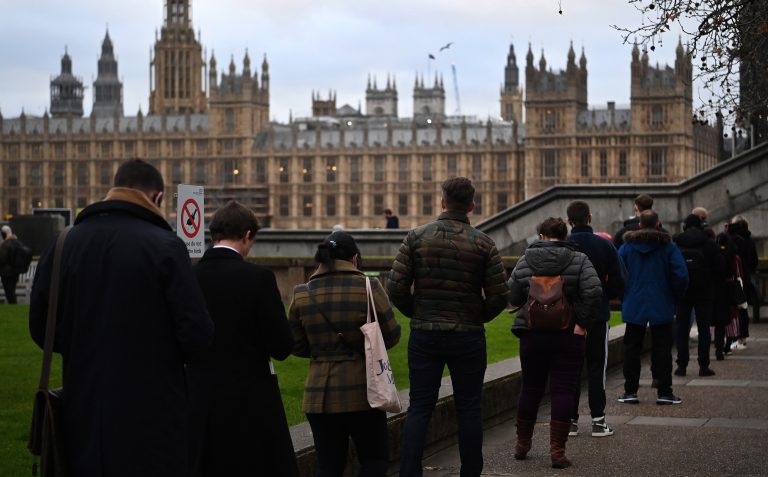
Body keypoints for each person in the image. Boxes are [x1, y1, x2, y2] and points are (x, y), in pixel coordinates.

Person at [29, 159, 215, 477]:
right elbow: (196, 334)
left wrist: (86, 348)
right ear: (156, 198)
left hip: (81, 409)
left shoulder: (62, 245)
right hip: (152, 415)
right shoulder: (166, 247)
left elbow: (41, 328)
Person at [388, 177, 509, 477]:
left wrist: (417, 311)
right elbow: (499, 296)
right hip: (468, 336)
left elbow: (396, 287)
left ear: (442, 202)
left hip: (425, 334)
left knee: (419, 408)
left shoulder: (416, 237)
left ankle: (409, 472)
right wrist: (476, 316)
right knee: (469, 409)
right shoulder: (484, 243)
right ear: (472, 205)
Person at [188, 201, 298, 477]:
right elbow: (282, 346)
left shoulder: (190, 277)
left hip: (200, 400)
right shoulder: (258, 278)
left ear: (214, 235)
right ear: (247, 235)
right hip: (250, 402)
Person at [289, 231, 401, 477]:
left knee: (328, 466)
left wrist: (324, 353)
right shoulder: (369, 287)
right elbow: (392, 335)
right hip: (365, 391)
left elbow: (296, 345)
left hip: (319, 395)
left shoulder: (301, 293)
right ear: (354, 259)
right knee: (374, 460)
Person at [507, 217, 602, 469]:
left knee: (530, 388)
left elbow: (513, 293)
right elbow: (594, 292)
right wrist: (581, 323)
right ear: (566, 235)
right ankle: (557, 452)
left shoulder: (526, 259)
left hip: (532, 333)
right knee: (563, 390)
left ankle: (522, 444)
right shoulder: (579, 259)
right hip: (567, 334)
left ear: (541, 235)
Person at [565, 201, 625, 438]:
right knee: (596, 368)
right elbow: (619, 281)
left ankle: (570, 421)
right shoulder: (604, 245)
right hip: (598, 316)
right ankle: (598, 422)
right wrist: (603, 296)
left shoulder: (565, 246)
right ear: (589, 218)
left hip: (568, 317)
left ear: (569, 220)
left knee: (570, 369)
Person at [617, 210, 688, 405]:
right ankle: (664, 391)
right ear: (658, 224)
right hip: (661, 302)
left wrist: (625, 296)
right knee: (663, 348)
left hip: (634, 302)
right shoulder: (668, 247)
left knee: (632, 348)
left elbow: (618, 274)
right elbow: (681, 276)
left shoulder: (627, 247)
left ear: (639, 225)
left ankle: (630, 390)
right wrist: (674, 296)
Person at [672, 214, 724, 377]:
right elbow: (720, 268)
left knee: (682, 329)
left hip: (683, 291)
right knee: (704, 329)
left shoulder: (676, 243)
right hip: (704, 291)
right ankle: (704, 365)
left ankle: (681, 365)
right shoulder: (709, 243)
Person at [728, 216, 760, 330]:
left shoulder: (731, 239)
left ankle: (735, 334)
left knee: (732, 307)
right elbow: (755, 260)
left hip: (732, 278)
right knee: (743, 307)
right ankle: (743, 336)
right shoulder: (749, 240)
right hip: (745, 277)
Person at [0, 225, 24, 304]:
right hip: (15, 271)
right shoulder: (18, 243)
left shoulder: (6, 244)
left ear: (3, 234)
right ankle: (13, 304)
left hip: (6, 273)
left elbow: (2, 259)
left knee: (9, 292)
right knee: (11, 290)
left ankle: (13, 305)